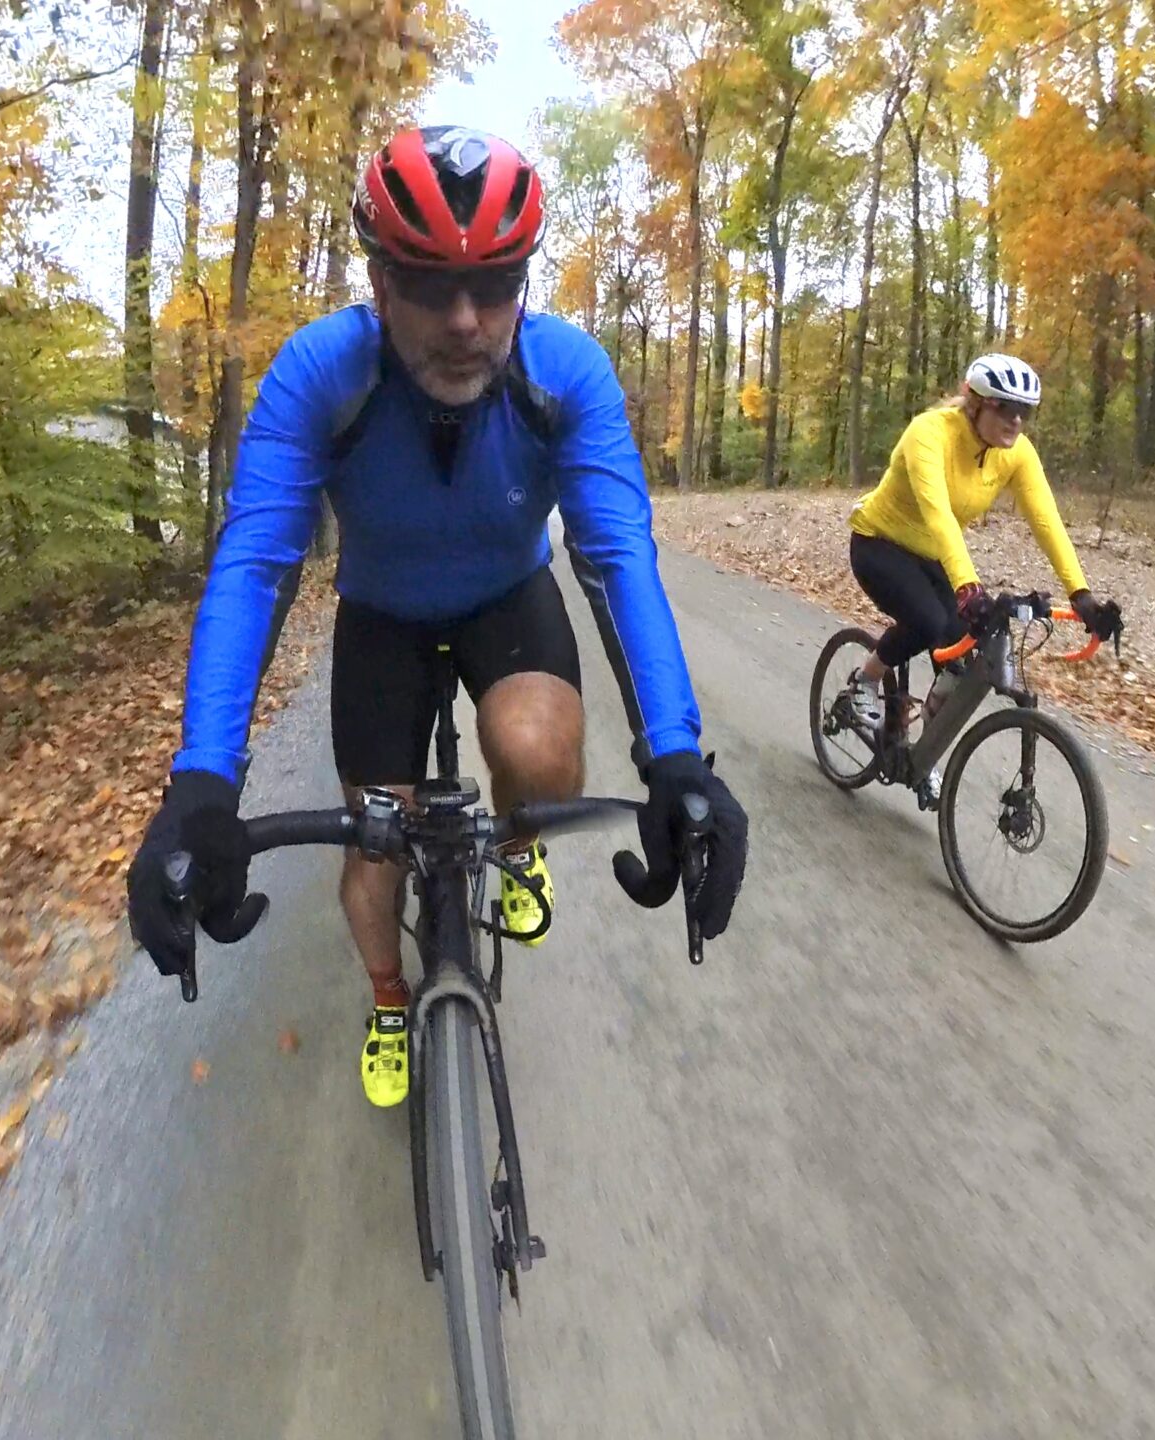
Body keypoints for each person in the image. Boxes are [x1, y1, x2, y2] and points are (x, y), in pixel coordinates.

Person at [123, 126, 749, 1109]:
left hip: (508, 597)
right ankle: (387, 999)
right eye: (427, 285)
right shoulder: (319, 373)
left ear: (523, 283)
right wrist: (202, 783)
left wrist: (674, 758)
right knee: (375, 850)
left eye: (495, 285)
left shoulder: (566, 373)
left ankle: (518, 847)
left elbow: (618, 558)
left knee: (538, 752)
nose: (465, 320)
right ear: (378, 282)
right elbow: (253, 567)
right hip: (382, 614)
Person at [839, 354, 1122, 730]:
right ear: (975, 403)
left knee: (970, 651)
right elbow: (938, 513)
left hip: (935, 555)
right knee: (927, 622)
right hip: (880, 543)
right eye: (1005, 407)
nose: (1016, 420)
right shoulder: (928, 433)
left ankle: (923, 744)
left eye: (1024, 411)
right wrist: (967, 588)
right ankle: (866, 680)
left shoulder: (1018, 452)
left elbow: (1046, 521)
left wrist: (1080, 594)